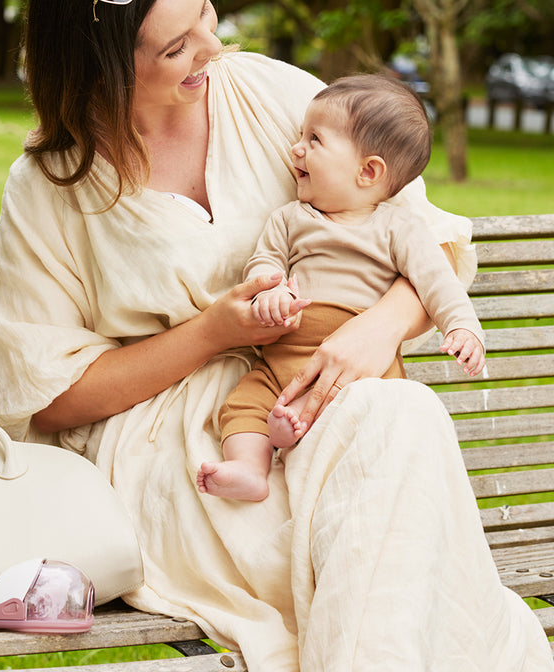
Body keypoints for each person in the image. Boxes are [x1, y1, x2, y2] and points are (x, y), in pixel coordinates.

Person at [0, 0, 554, 672]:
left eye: (205, 14)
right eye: (175, 49)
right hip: (189, 452)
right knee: (396, 550)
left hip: (330, 395)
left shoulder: (271, 92)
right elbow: (50, 394)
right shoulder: (52, 186)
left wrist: (378, 330)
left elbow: (423, 235)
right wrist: (214, 331)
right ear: (101, 67)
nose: (209, 48)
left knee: (404, 421)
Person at [198, 74, 486, 501]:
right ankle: (250, 466)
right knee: (243, 405)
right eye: (300, 135)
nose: (296, 148)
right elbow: (265, 262)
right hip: (281, 361)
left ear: (368, 171)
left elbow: (437, 283)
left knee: (373, 408)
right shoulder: (290, 219)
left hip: (364, 361)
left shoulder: (398, 227)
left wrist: (463, 327)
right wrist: (270, 293)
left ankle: (298, 427)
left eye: (314, 139)